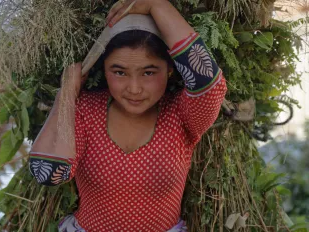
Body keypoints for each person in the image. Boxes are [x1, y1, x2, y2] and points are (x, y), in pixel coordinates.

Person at [29, 0, 227, 231]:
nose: (134, 88)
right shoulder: (86, 110)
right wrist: (67, 93)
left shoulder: (181, 115)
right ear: (104, 69)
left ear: (170, 69)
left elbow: (207, 83)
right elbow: (48, 173)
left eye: (149, 72)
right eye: (120, 72)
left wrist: (157, 5)